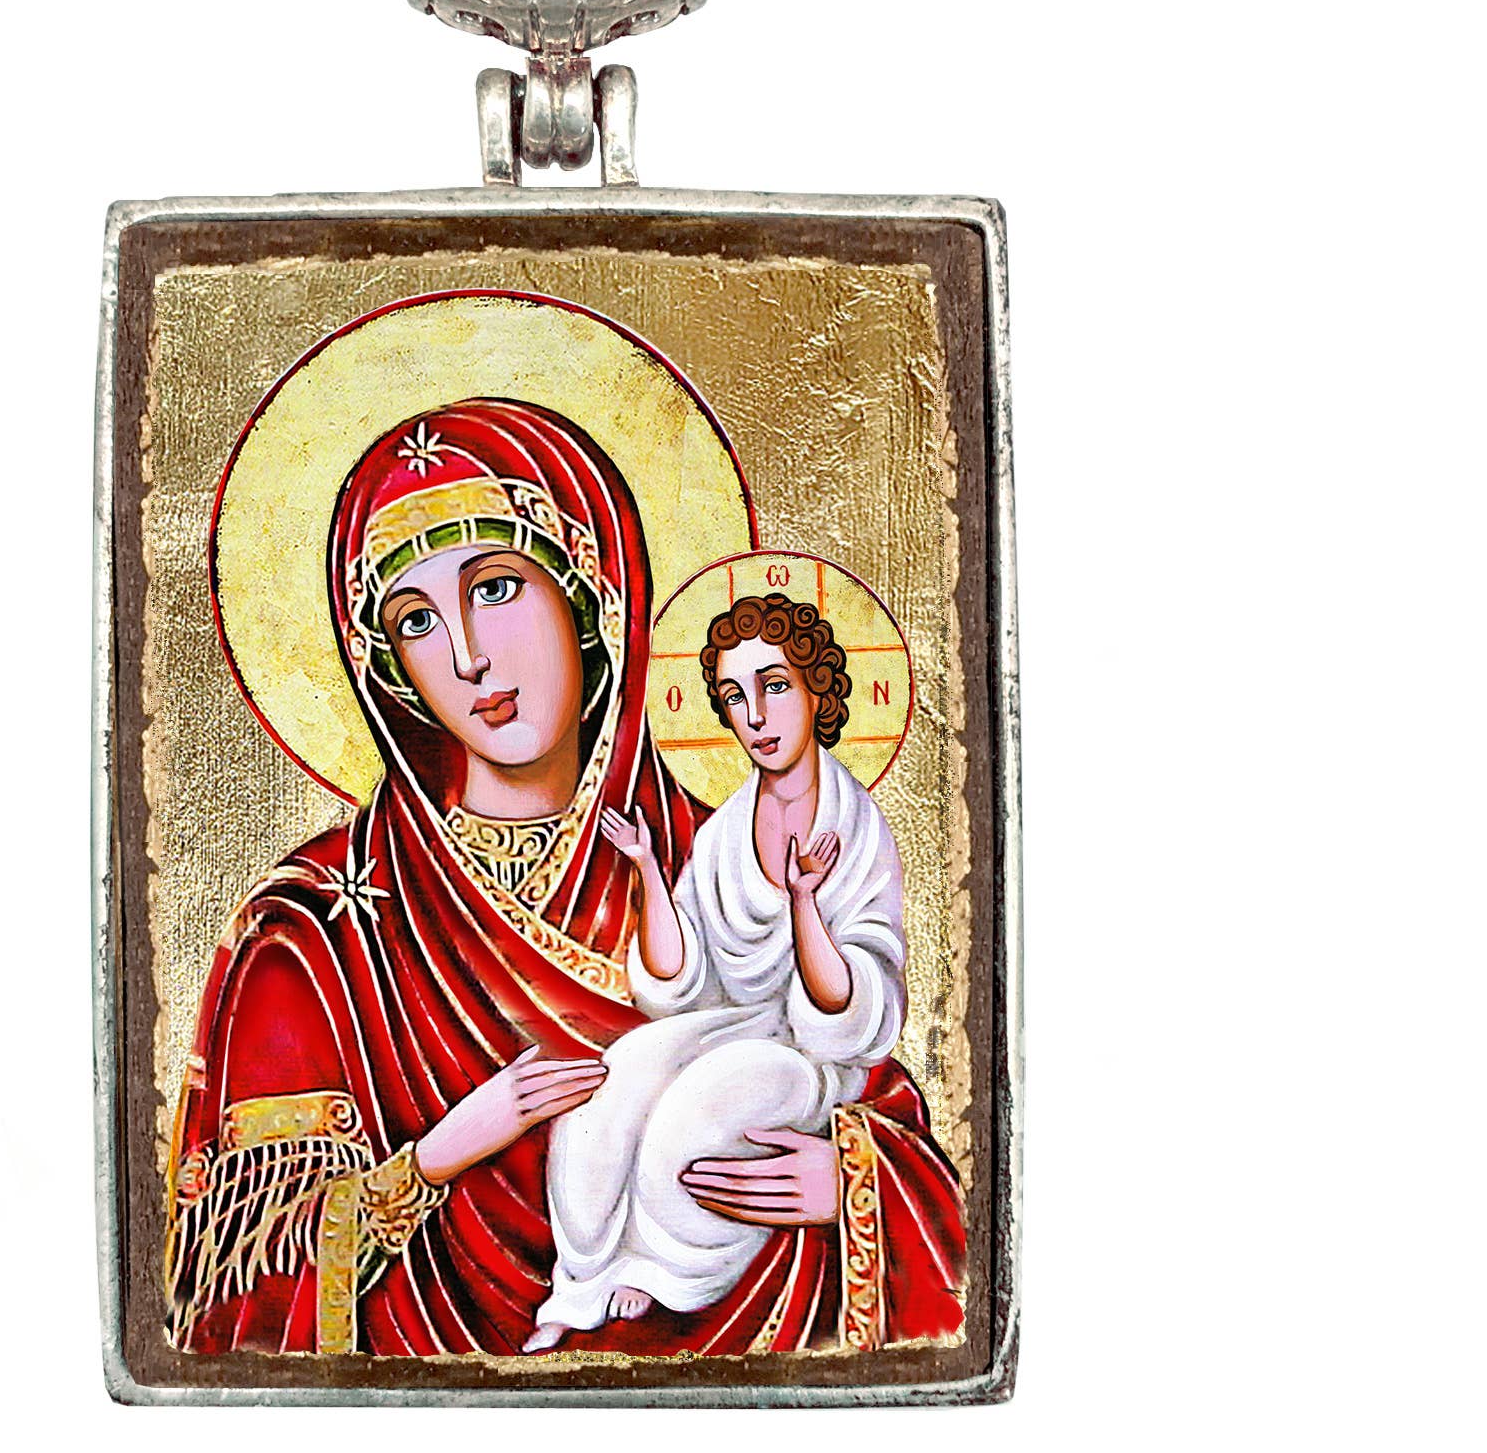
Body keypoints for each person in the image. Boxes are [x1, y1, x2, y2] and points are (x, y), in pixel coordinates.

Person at [164, 400, 964, 1356]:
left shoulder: (730, 854)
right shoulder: (317, 936)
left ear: (592, 597)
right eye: (416, 621)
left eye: (497, 587)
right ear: (386, 664)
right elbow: (234, 1296)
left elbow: (872, 1092)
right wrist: (437, 1157)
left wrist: (850, 1188)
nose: (468, 657)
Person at [528, 593, 910, 1351]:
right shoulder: (726, 831)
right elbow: (677, 982)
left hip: (811, 1057)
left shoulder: (857, 826)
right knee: (615, 1082)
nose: (756, 716)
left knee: (697, 1110)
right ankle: (582, 1279)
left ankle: (667, 1269)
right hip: (728, 1025)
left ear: (817, 690)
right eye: (736, 696)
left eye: (775, 686)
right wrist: (646, 867)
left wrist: (804, 902)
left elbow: (847, 1012)